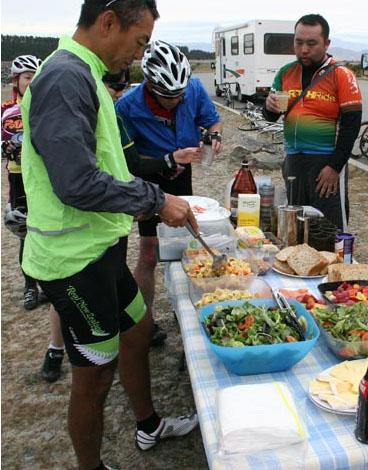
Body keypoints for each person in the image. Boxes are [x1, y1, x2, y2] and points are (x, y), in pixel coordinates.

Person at [20, 2, 199, 469]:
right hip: (73, 262)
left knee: (138, 330)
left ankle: (148, 424)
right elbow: (75, 181)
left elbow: (109, 163)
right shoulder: (64, 78)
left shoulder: (85, 73)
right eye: (139, 42)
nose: (138, 57)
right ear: (107, 22)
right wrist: (158, 200)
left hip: (99, 251)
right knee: (93, 378)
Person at [115, 40, 222, 346]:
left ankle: (187, 308)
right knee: (149, 252)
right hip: (148, 178)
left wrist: (214, 134)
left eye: (180, 95)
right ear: (149, 86)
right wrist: (166, 161)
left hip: (181, 172)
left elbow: (211, 119)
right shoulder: (126, 108)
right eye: (167, 96)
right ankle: (143, 323)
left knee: (185, 247)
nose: (176, 101)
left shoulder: (195, 88)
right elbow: (128, 163)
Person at [263, 14, 362, 230]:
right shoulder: (285, 72)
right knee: (298, 224)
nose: (304, 49)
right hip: (294, 161)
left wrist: (335, 166)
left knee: (329, 228)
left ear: (326, 44)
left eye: (311, 43)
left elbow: (351, 126)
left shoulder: (341, 75)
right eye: (299, 42)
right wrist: (268, 107)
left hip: (326, 162)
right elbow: (271, 116)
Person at [2, 55, 48, 310]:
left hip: (43, 177)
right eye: (28, 78)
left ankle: (49, 283)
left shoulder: (47, 107)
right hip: (19, 176)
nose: (32, 83)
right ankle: (30, 287)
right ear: (16, 80)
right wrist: (4, 146)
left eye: (36, 78)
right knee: (24, 231)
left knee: (46, 228)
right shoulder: (6, 109)